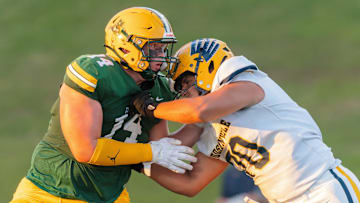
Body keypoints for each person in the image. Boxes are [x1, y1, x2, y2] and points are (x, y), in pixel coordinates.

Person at [132, 38, 360, 202]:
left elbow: (199, 110)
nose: (183, 92)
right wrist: (136, 160)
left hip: (324, 189)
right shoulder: (210, 126)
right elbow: (190, 182)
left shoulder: (245, 81)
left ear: (207, 66)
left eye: (185, 82)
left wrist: (154, 107)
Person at [10, 7, 198, 203]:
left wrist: (203, 124)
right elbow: (86, 150)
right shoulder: (95, 72)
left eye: (163, 48)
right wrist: (151, 151)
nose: (161, 55)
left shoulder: (159, 89)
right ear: (126, 46)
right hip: (50, 192)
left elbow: (164, 148)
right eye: (153, 48)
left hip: (109, 196)